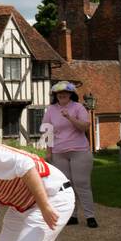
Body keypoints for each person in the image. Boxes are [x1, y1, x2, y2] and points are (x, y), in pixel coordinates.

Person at [42, 81, 97, 228]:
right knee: (66, 185)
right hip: (59, 152)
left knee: (82, 184)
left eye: (65, 93)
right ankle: (72, 215)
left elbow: (85, 127)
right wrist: (49, 151)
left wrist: (69, 117)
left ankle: (90, 216)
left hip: (79, 151)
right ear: (56, 96)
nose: (62, 95)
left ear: (71, 94)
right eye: (59, 94)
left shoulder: (78, 107)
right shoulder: (51, 110)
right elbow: (48, 131)